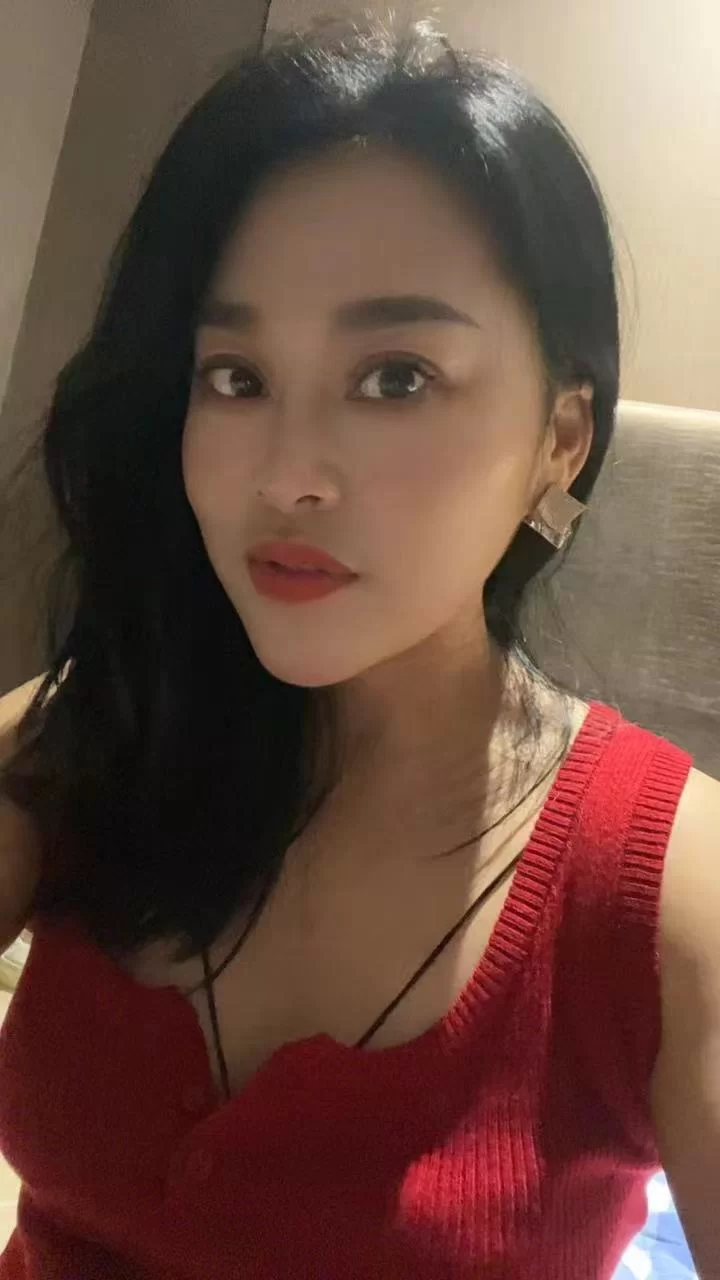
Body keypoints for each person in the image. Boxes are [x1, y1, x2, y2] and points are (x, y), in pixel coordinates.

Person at [0, 16, 718, 1280]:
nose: (287, 475)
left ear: (561, 439)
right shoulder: (99, 732)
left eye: (396, 377)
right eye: (234, 375)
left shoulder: (663, 892)